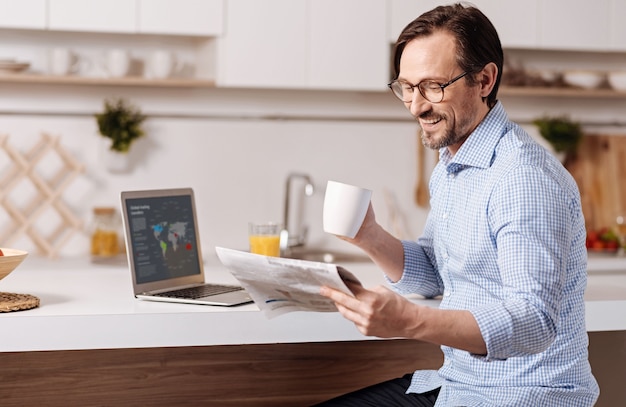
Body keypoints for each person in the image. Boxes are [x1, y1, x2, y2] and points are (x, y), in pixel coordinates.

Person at [315, 3, 599, 407]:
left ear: (484, 80)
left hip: (522, 396)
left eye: (433, 86)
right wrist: (370, 235)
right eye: (407, 88)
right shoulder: (453, 165)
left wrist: (408, 320)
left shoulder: (521, 177)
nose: (416, 106)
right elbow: (437, 272)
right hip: (459, 385)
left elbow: (535, 322)